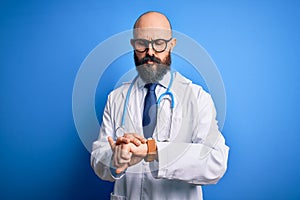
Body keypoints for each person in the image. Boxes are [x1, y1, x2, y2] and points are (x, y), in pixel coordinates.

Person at [91, 11, 229, 200]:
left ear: (171, 45)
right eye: (142, 44)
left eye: (159, 43)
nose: (150, 52)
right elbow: (98, 156)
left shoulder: (196, 98)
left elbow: (215, 161)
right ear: (133, 45)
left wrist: (153, 150)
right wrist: (113, 159)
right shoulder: (116, 98)